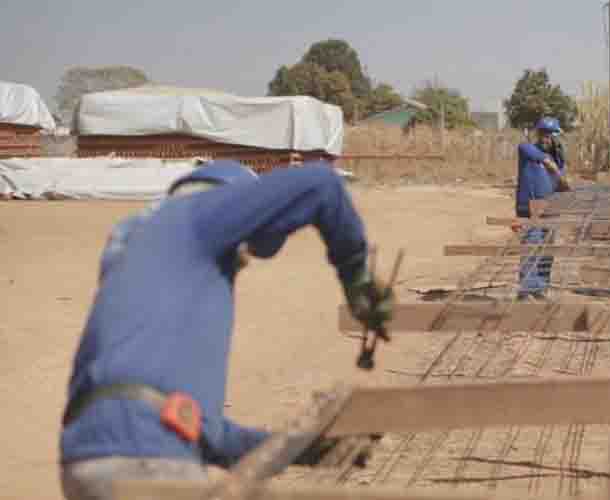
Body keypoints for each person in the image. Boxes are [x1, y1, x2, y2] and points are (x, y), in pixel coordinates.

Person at [58, 159, 393, 500]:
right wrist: (356, 278)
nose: (243, 261)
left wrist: (308, 446)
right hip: (146, 458)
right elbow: (322, 183)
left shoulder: (147, 267)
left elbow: (212, 440)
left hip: (92, 463)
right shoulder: (195, 217)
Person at [514, 117, 568, 301]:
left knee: (547, 252)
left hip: (550, 207)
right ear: (537, 134)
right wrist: (549, 163)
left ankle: (540, 289)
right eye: (542, 134)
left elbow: (562, 185)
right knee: (531, 247)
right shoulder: (528, 150)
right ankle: (526, 290)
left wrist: (559, 165)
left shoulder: (558, 159)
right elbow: (527, 149)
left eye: (549, 135)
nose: (545, 138)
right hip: (529, 207)